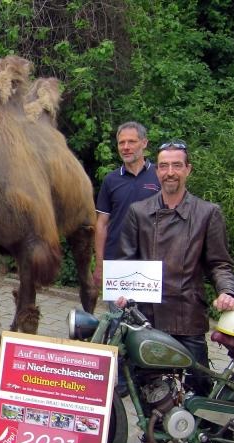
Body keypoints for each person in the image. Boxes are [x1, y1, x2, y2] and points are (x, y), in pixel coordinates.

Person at [115, 140, 234, 443]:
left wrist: (227, 291)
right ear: (157, 169)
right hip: (147, 318)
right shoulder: (139, 212)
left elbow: (219, 263)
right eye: (164, 165)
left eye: (176, 165)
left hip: (187, 314)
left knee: (200, 387)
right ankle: (155, 437)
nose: (170, 172)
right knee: (147, 381)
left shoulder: (207, 213)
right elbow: (125, 261)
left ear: (187, 170)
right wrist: (121, 293)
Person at [93, 121, 161, 396]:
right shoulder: (111, 180)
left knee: (149, 324)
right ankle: (121, 384)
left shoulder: (159, 175)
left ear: (144, 143)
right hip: (118, 265)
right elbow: (101, 225)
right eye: (121, 143)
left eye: (131, 142)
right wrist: (99, 264)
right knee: (118, 324)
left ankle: (151, 381)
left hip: (151, 264)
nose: (126, 147)